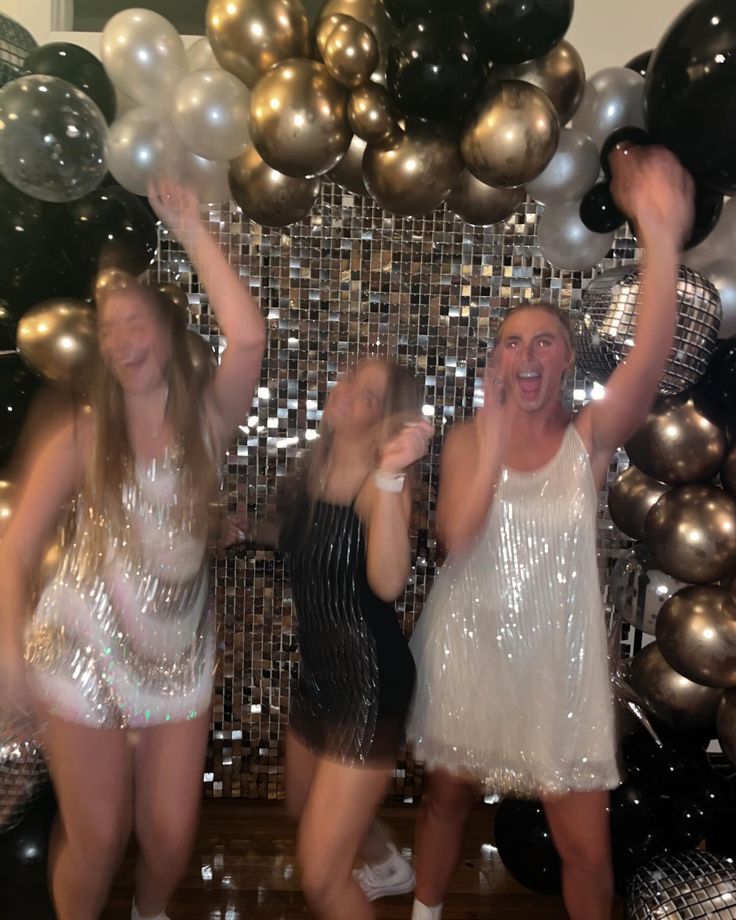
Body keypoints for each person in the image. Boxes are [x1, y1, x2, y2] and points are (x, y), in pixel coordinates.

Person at [407, 144, 695, 920]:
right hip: (470, 644)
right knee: (444, 803)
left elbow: (652, 355)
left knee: (587, 849)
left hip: (557, 665)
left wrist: (660, 240)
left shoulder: (590, 437)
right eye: (513, 342)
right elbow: (457, 538)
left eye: (544, 342)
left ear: (568, 358)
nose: (528, 355)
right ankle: (425, 913)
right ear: (496, 359)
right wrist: (495, 432)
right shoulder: (471, 437)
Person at [0, 178, 266, 920]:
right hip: (81, 649)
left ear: (169, 334)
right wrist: (8, 652)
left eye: (135, 322)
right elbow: (15, 548)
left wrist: (189, 226)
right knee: (99, 837)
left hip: (178, 656)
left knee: (171, 838)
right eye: (109, 328)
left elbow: (248, 338)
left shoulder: (208, 425)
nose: (121, 340)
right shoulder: (83, 433)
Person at [270, 359, 432, 919]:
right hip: (318, 671)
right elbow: (307, 544)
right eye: (346, 380)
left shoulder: (379, 485)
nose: (345, 394)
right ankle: (387, 862)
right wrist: (238, 529)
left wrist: (390, 476)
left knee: (321, 876)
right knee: (301, 809)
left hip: (368, 685)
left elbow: (387, 581)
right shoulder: (315, 466)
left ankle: (370, 870)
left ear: (385, 419)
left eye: (367, 396)